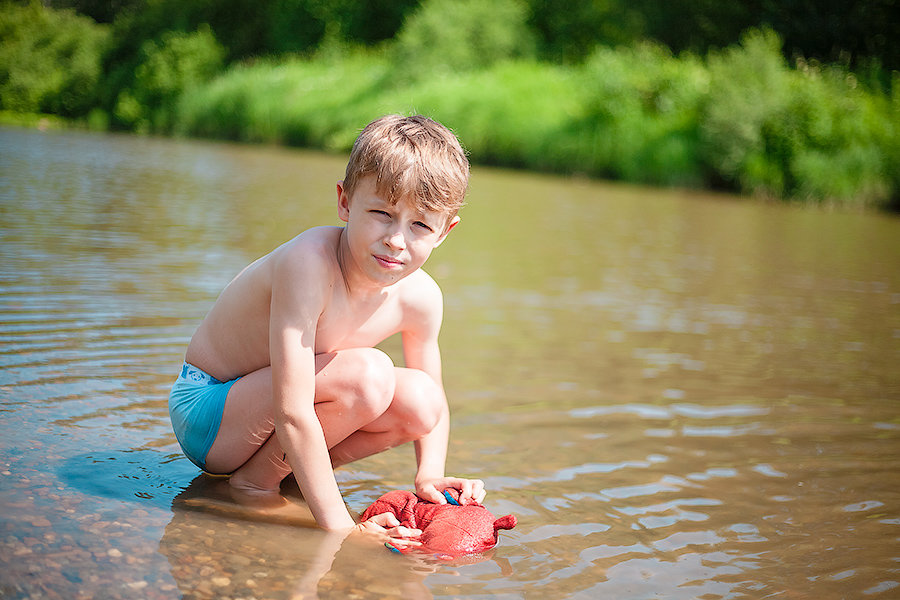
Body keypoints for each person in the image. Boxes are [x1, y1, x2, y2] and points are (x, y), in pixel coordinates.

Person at [168, 114, 485, 546]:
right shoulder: (310, 264)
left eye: (420, 225)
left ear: (444, 231)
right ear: (345, 202)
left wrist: (429, 474)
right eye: (381, 214)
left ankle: (289, 480)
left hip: (266, 416)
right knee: (369, 375)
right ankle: (255, 485)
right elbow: (293, 410)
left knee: (422, 401)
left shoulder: (422, 297)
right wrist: (344, 531)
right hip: (210, 411)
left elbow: (435, 403)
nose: (396, 240)